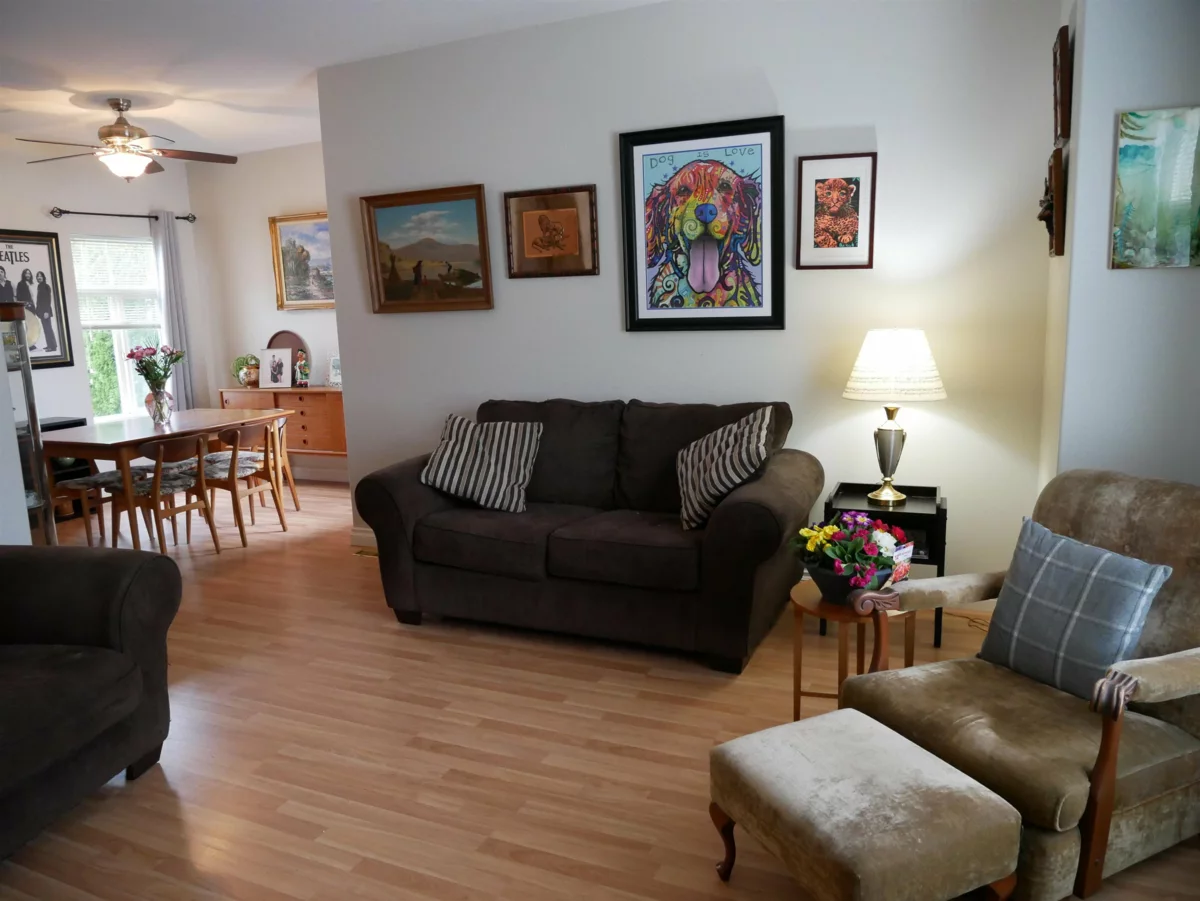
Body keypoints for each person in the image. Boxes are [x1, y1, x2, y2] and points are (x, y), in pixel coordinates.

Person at [34, 271, 56, 353]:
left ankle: (52, 347)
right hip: (42, 312)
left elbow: (48, 300)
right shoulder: (39, 286)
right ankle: (52, 345)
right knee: (47, 329)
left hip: (45, 312)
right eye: (37, 276)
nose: (39, 277)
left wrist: (46, 311)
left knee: (48, 329)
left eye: (40, 276)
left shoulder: (46, 286)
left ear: (43, 277)